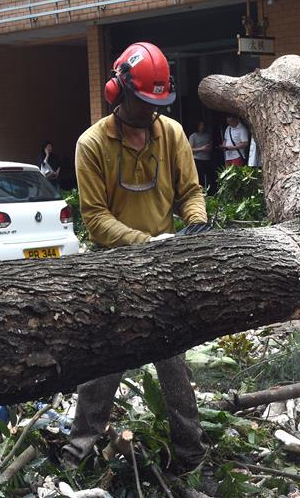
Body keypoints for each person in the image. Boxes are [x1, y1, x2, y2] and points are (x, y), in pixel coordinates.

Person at [63, 42, 211, 480]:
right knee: (103, 367)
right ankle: (79, 453)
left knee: (175, 368)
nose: (151, 112)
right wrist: (147, 243)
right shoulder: (91, 145)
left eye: (157, 104)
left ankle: (192, 457)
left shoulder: (172, 134)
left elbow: (190, 192)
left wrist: (197, 224)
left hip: (163, 268)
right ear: (118, 92)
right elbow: (95, 220)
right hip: (113, 270)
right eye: (144, 102)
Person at [188, 120, 214, 188]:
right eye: (200, 125)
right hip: (197, 159)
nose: (202, 127)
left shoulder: (207, 135)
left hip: (207, 158)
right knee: (199, 177)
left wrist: (209, 148)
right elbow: (190, 149)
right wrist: (201, 148)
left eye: (203, 125)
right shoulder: (193, 136)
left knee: (209, 177)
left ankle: (210, 192)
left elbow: (210, 145)